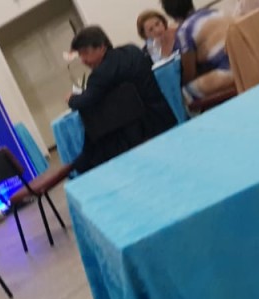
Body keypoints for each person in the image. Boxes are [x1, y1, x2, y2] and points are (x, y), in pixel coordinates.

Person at [68, 26, 177, 173]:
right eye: (80, 55)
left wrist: (71, 99)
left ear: (101, 47)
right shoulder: (132, 50)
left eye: (85, 53)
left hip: (134, 133)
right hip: (161, 116)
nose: (83, 60)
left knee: (94, 127)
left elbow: (84, 101)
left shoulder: (100, 74)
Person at [161, 0, 235, 101]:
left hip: (229, 72)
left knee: (183, 93)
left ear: (170, 14)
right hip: (246, 62)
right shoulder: (216, 12)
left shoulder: (184, 31)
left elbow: (190, 73)